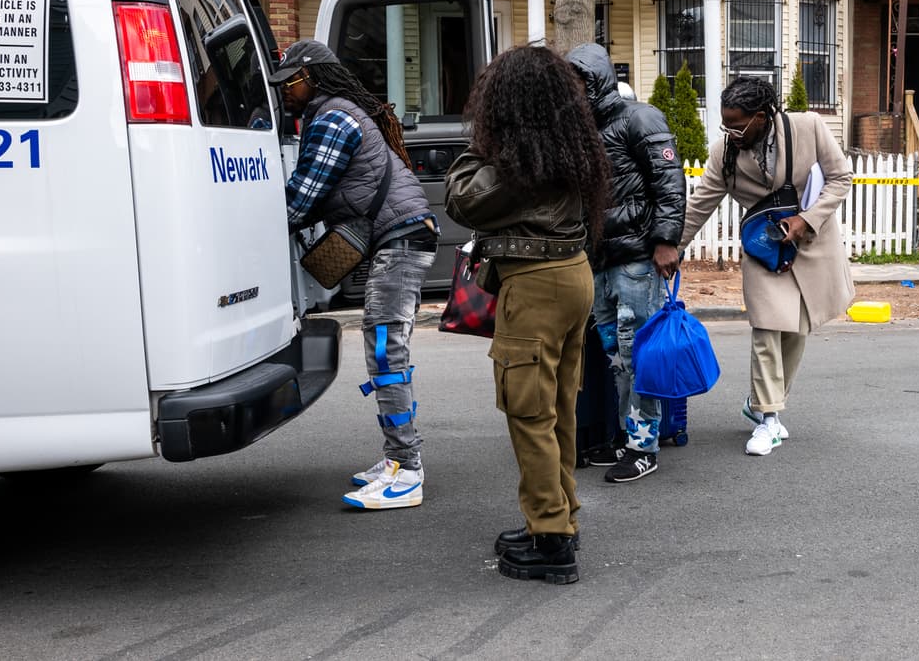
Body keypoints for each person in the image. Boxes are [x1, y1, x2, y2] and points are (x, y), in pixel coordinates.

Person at [445, 45, 611, 584]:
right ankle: (560, 516)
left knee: (529, 414)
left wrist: (480, 146)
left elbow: (463, 198)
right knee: (558, 408)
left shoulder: (520, 160)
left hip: (535, 285)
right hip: (573, 275)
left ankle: (551, 541)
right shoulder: (567, 148)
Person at [272, 39, 438, 510]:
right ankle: (396, 458)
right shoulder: (338, 111)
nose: (286, 91)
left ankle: (407, 469)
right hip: (402, 234)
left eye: (292, 82)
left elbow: (299, 200)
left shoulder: (332, 118)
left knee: (386, 347)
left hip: (400, 239)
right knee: (385, 345)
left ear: (314, 78)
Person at [661, 77, 853, 457]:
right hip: (764, 250)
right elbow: (700, 204)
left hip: (810, 243)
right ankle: (768, 420)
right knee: (767, 329)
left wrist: (808, 219)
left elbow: (840, 178)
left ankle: (762, 401)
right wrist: (672, 246)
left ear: (762, 118)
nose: (730, 132)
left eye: (737, 124)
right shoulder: (724, 153)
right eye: (725, 124)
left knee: (796, 331)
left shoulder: (809, 127)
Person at [566, 44, 685, 484]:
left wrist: (666, 242)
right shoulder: (582, 131)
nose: (573, 90)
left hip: (636, 256)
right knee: (617, 355)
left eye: (579, 80)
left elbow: (670, 184)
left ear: (594, 79)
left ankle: (642, 446)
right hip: (597, 258)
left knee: (638, 355)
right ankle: (630, 436)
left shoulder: (640, 118)